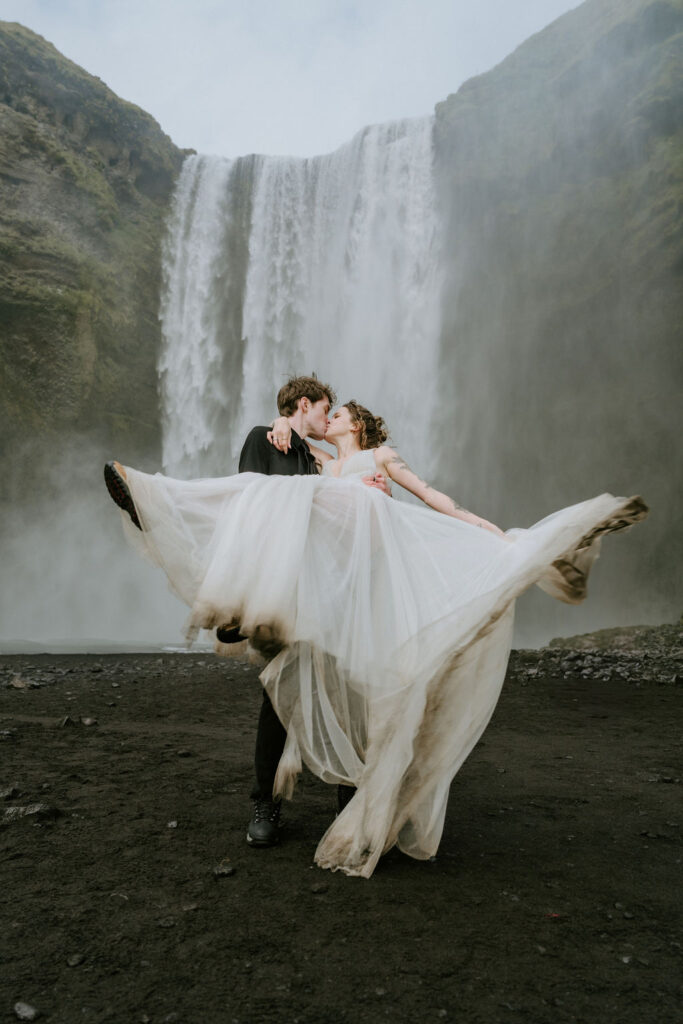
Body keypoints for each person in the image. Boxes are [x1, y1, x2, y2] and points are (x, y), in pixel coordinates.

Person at [105, 396, 647, 877]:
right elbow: (283, 465)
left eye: (337, 413)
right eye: (326, 410)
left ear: (357, 424)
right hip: (320, 594)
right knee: (278, 682)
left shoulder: (379, 459)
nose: (330, 417)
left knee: (357, 699)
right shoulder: (321, 463)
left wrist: (488, 531)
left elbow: (433, 497)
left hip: (364, 595)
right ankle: (155, 503)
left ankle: (353, 809)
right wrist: (282, 421)